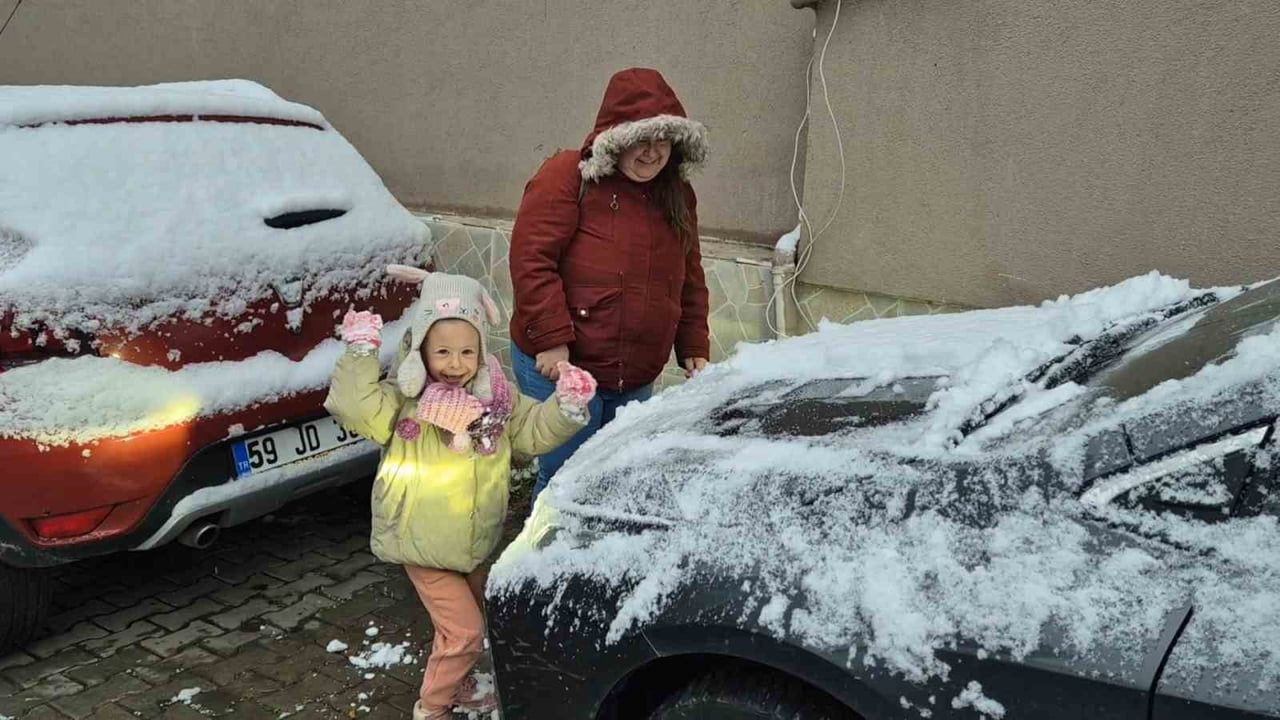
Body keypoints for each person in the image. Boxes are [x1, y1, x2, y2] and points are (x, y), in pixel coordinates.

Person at [325, 265, 597, 720]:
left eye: (467, 351)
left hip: (473, 543)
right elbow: (355, 406)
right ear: (421, 349)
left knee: (462, 626)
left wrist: (564, 407)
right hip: (422, 543)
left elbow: (529, 433)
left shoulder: (498, 401)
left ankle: (462, 682)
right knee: (466, 632)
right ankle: (431, 708)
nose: (456, 363)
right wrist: (359, 352)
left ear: (481, 350)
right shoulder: (403, 404)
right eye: (443, 351)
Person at [509, 67, 711, 501]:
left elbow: (689, 272)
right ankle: (540, 564)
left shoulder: (676, 193)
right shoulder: (568, 176)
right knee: (567, 479)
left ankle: (596, 561)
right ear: (615, 136)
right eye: (641, 138)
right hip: (563, 364)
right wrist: (551, 339)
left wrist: (693, 345)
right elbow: (532, 260)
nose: (652, 152)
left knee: (615, 478)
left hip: (634, 372)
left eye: (663, 139)